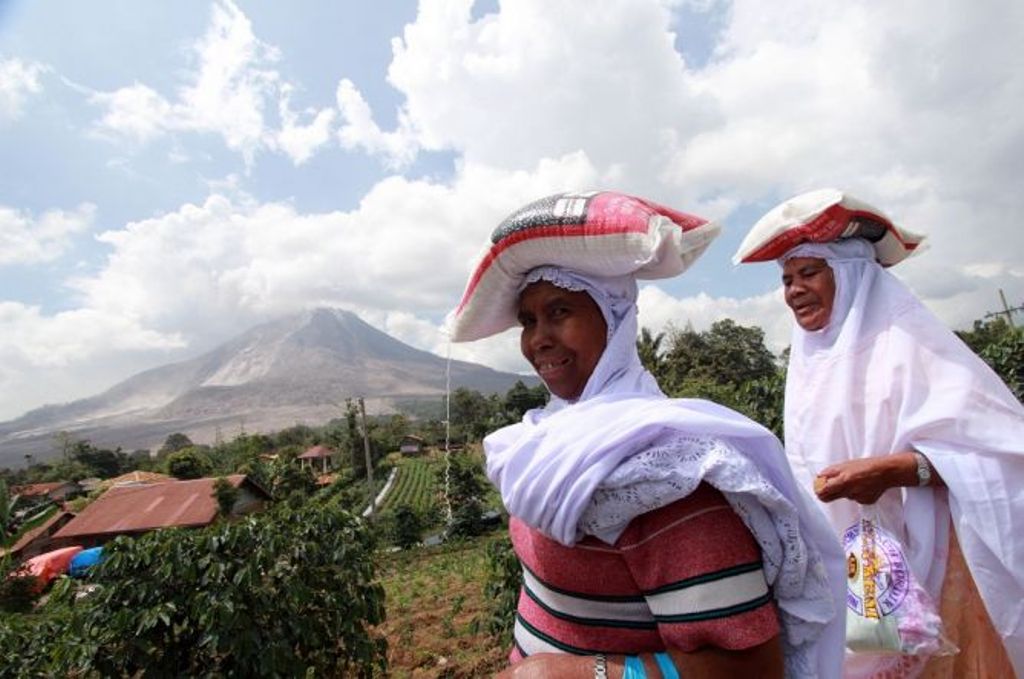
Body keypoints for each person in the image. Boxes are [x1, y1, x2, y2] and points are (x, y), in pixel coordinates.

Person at [447, 192, 846, 679]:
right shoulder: (542, 443)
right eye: (529, 321)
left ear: (614, 321)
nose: (538, 339)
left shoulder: (667, 476)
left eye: (559, 312)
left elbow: (749, 671)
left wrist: (573, 674)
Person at [768, 235, 1024, 678]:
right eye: (787, 280)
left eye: (809, 273)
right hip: (860, 570)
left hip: (948, 570)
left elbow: (1000, 451)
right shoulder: (809, 364)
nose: (794, 290)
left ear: (850, 276)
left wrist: (896, 470)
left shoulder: (910, 343)